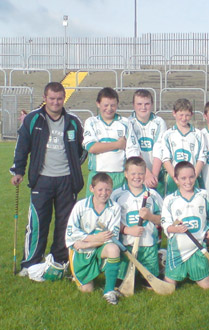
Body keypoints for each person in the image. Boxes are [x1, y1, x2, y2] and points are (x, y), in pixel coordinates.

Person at [10, 82, 85, 277]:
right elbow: (22, 146)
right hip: (41, 180)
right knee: (37, 223)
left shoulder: (73, 121)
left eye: (59, 98)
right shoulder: (33, 119)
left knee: (64, 223)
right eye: (52, 98)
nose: (56, 102)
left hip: (66, 181)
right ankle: (30, 263)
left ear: (64, 98)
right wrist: (18, 170)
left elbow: (82, 149)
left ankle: (59, 261)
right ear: (45, 98)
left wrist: (74, 169)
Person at [160, 161, 209, 289]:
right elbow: (166, 225)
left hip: (198, 248)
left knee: (207, 287)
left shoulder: (203, 195)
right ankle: (167, 267)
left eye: (191, 177)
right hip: (177, 250)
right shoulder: (170, 200)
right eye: (183, 178)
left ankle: (202, 268)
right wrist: (176, 229)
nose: (188, 181)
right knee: (169, 289)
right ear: (176, 179)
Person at [65, 173, 122, 304]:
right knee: (87, 290)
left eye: (107, 189)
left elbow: (111, 237)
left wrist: (86, 243)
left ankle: (109, 291)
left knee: (113, 249)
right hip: (80, 253)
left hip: (92, 248)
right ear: (92, 188)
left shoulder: (115, 208)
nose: (104, 193)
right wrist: (95, 237)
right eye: (100, 189)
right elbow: (71, 234)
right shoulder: (80, 206)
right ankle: (76, 275)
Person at [110, 157, 163, 285]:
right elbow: (111, 222)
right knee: (120, 282)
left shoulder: (153, 195)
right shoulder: (116, 195)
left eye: (140, 173)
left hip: (148, 246)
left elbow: (164, 220)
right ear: (126, 174)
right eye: (133, 173)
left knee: (149, 284)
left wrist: (150, 216)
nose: (137, 177)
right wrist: (128, 230)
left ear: (145, 174)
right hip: (126, 247)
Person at [83, 87, 140, 196]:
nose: (109, 108)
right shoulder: (91, 122)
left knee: (120, 209)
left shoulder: (125, 123)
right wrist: (117, 144)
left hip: (119, 176)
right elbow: (92, 147)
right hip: (97, 175)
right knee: (95, 209)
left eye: (113, 105)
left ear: (117, 104)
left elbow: (132, 151)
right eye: (106, 105)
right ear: (98, 104)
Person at [157, 98, 207, 196]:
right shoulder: (168, 134)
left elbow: (201, 158)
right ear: (174, 114)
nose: (184, 118)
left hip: (192, 178)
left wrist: (192, 178)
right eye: (181, 115)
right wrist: (176, 179)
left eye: (187, 115)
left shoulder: (198, 134)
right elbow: (166, 159)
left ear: (191, 115)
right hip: (173, 179)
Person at [128, 89, 167, 196]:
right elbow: (133, 150)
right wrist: (145, 174)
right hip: (137, 175)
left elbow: (159, 149)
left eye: (147, 104)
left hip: (156, 175)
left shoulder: (159, 122)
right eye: (139, 104)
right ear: (133, 105)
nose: (143, 107)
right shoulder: (128, 123)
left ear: (152, 104)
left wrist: (153, 176)